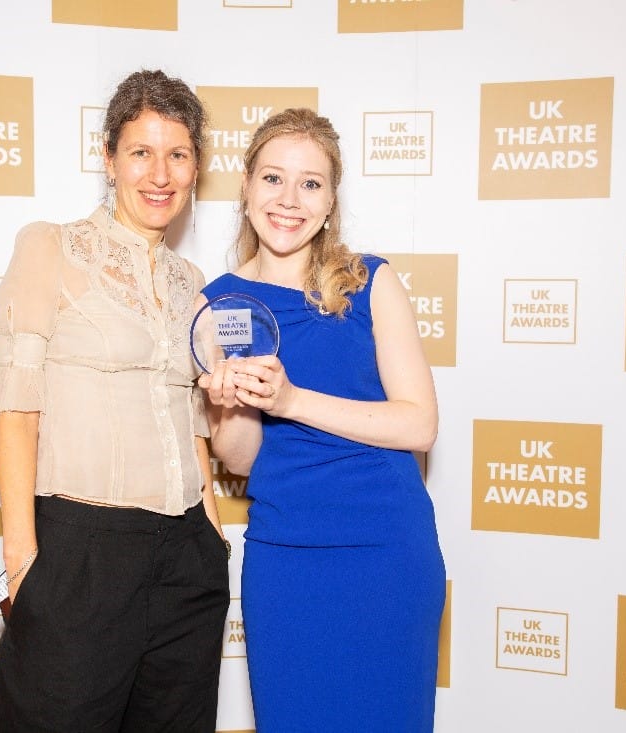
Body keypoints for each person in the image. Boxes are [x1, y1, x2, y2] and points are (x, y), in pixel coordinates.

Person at [0, 69, 230, 733]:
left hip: (186, 556)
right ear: (108, 158)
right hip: (79, 554)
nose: (160, 173)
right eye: (141, 152)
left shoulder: (193, 283)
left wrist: (211, 536)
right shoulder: (52, 248)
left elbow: (194, 424)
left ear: (196, 166)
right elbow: (17, 410)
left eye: (177, 154)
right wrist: (24, 566)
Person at [198, 108, 445, 731]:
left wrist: (292, 400)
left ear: (331, 199)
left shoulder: (370, 282)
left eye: (310, 183)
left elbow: (419, 426)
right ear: (247, 188)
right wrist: (233, 403)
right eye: (273, 178)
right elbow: (242, 458)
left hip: (386, 551)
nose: (289, 200)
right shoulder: (220, 304)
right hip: (287, 558)